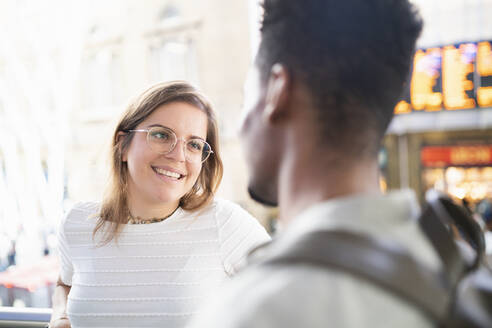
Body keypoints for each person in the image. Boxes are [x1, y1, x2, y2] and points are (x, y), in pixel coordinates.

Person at [187, 0, 435, 327]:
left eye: (248, 97)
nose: (239, 127)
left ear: (278, 91)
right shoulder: (449, 271)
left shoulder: (253, 310)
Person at [48, 81, 270, 328]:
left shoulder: (225, 223)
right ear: (123, 145)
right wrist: (60, 316)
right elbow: (64, 283)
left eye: (194, 144)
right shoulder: (77, 222)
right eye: (161, 135)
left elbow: (293, 294)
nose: (178, 155)